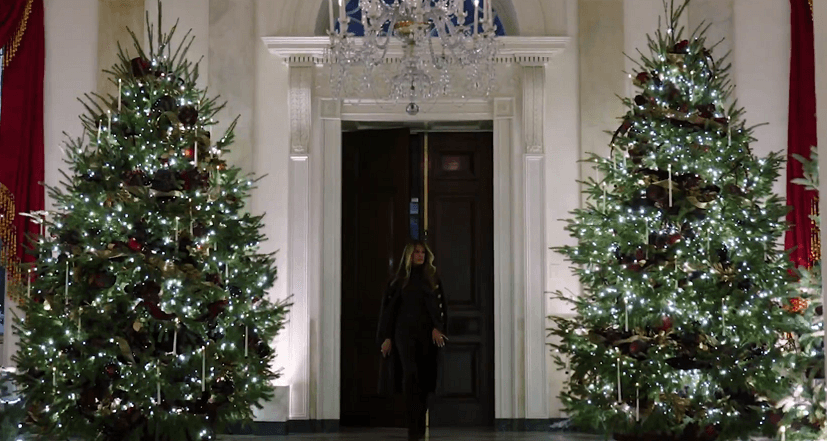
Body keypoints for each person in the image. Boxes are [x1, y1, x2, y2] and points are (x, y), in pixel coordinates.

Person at [376, 241, 448, 440]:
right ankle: (412, 426)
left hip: (427, 336)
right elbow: (389, 311)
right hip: (404, 335)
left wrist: (438, 328)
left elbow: (440, 308)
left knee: (425, 379)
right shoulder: (399, 281)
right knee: (410, 376)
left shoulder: (432, 279)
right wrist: (387, 337)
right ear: (409, 255)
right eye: (416, 252)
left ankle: (420, 425)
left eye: (423, 252)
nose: (420, 256)